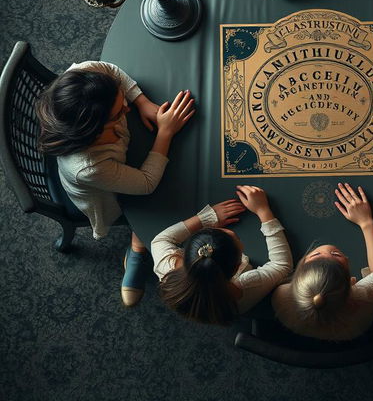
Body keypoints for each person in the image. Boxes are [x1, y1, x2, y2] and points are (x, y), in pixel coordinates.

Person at [36, 61, 195, 306]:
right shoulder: (89, 166)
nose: (126, 107)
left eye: (122, 99)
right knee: (164, 200)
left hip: (120, 162)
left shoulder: (82, 80)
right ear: (95, 129)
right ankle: (138, 245)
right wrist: (165, 132)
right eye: (119, 111)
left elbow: (109, 71)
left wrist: (141, 101)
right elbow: (145, 183)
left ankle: (138, 241)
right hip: (105, 194)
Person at [152, 185, 292, 324]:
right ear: (239, 266)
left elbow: (160, 240)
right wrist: (264, 211)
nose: (230, 232)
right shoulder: (241, 291)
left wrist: (206, 218)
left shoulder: (168, 267)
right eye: (238, 239)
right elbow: (282, 265)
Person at [271, 182, 373, 341]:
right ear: (350, 283)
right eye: (336, 255)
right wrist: (366, 222)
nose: (326, 249)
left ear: (299, 277)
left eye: (316, 255)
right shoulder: (362, 298)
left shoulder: (282, 295)